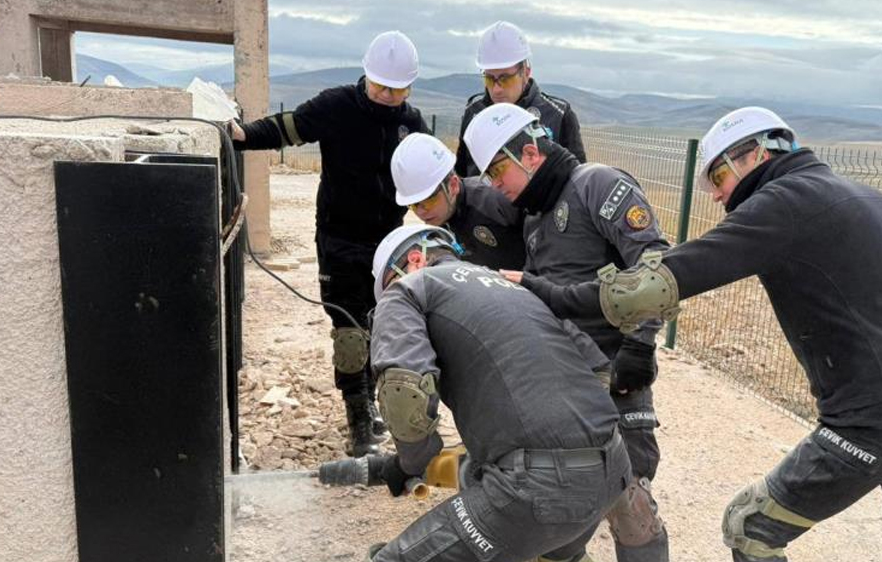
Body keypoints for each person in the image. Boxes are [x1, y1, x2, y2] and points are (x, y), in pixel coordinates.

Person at [512, 107, 882, 562]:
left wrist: (549, 293)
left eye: (718, 177)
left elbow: (655, 284)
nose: (716, 195)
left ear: (756, 154)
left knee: (749, 526)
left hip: (873, 420)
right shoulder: (872, 199)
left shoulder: (782, 204)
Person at [464, 103, 672, 562]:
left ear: (530, 153)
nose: (494, 183)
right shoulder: (536, 216)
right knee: (559, 504)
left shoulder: (597, 185)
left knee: (631, 503)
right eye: (487, 174)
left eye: (498, 169)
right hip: (566, 380)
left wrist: (640, 344)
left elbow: (655, 264)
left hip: (619, 373)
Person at [366, 225, 632, 562]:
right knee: (552, 553)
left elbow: (405, 396)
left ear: (415, 260)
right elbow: (598, 369)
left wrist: (410, 463)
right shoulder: (512, 288)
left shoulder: (408, 288)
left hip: (538, 489)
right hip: (612, 469)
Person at [230, 31, 430, 457]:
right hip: (339, 238)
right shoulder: (336, 106)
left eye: (396, 90)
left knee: (382, 327)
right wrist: (243, 135)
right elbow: (288, 128)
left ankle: (374, 404)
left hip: (387, 244)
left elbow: (429, 173)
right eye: (380, 86)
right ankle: (358, 420)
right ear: (366, 75)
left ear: (410, 87)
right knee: (350, 331)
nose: (386, 96)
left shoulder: (411, 124)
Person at [454, 21, 586, 177]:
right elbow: (462, 175)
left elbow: (578, 181)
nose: (496, 89)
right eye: (489, 79)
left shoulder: (558, 115)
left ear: (526, 72)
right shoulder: (474, 112)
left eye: (505, 79)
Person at [391, 133, 526, 270]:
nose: (420, 212)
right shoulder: (436, 230)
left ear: (453, 185)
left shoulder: (494, 201)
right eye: (413, 205)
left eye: (428, 201)